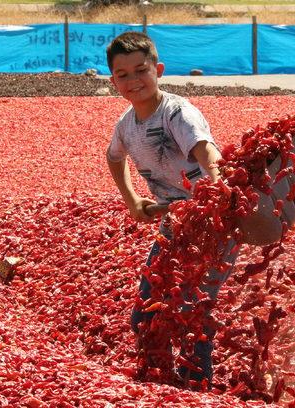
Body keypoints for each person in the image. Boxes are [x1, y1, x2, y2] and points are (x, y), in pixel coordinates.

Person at [104, 31, 237, 383]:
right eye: (123, 74)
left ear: (158, 69)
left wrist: (218, 181)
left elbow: (205, 150)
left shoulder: (177, 113)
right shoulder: (126, 126)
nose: (134, 80)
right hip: (173, 221)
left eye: (141, 70)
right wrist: (133, 200)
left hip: (212, 221)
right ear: (113, 81)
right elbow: (113, 158)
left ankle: (195, 384)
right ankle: (158, 378)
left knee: (194, 308)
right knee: (146, 313)